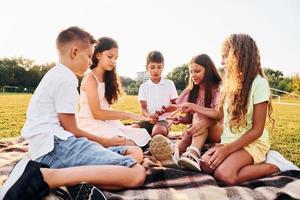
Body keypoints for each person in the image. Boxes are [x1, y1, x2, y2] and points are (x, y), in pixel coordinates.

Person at [0, 26, 145, 200]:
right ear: (75, 52)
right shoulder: (66, 78)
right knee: (136, 173)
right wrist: (105, 142)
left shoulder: (56, 74)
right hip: (56, 146)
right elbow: (71, 129)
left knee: (134, 152)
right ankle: (43, 177)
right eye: (89, 56)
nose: (91, 62)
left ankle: (76, 183)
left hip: (51, 145)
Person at [185, 33, 281, 185]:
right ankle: (235, 160)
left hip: (252, 143)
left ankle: (270, 167)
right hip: (229, 142)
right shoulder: (228, 85)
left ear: (239, 55)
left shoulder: (259, 83)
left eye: (225, 56)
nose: (222, 62)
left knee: (225, 175)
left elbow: (257, 130)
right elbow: (219, 114)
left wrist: (227, 150)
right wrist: (193, 107)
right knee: (204, 165)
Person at [149, 54, 223, 171]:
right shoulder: (192, 90)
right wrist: (182, 119)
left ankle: (192, 153)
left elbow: (218, 114)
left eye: (197, 71)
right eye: (191, 72)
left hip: (215, 130)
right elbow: (190, 118)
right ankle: (175, 156)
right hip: (197, 130)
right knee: (187, 136)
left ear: (208, 71)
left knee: (199, 117)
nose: (193, 75)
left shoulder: (218, 89)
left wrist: (194, 107)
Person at [76, 37, 151, 147]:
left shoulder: (107, 78)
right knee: (128, 143)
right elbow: (96, 113)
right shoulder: (90, 78)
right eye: (110, 56)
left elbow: (106, 108)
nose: (113, 61)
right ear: (98, 55)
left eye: (116, 58)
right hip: (90, 122)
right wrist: (128, 115)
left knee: (142, 136)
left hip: (107, 121)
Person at [131, 50, 178, 137]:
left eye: (159, 67)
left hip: (163, 121)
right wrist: (149, 116)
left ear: (163, 67)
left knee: (157, 132)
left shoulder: (169, 84)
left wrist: (165, 110)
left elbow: (176, 106)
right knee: (132, 129)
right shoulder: (143, 86)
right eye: (152, 67)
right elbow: (143, 108)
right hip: (148, 120)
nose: (156, 70)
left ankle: (153, 136)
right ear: (147, 68)